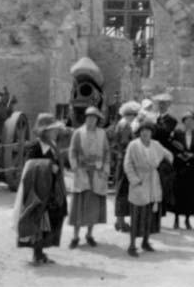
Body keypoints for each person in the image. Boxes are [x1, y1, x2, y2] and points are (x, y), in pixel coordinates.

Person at [14, 113, 67, 265]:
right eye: (52, 129)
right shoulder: (36, 146)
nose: (55, 131)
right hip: (38, 190)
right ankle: (37, 254)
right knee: (38, 219)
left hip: (51, 189)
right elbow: (30, 166)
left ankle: (40, 252)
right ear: (45, 131)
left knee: (47, 221)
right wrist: (50, 166)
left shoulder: (52, 144)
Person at [124, 121, 173, 257]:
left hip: (152, 181)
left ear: (152, 132)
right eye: (143, 130)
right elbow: (127, 164)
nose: (145, 133)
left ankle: (145, 241)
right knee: (136, 214)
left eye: (148, 130)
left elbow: (168, 155)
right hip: (139, 182)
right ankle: (132, 245)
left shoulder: (156, 145)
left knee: (149, 214)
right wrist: (134, 180)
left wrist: (164, 168)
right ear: (139, 132)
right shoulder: (133, 145)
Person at [68, 106, 110, 248]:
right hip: (82, 172)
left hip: (97, 173)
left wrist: (105, 168)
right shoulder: (78, 133)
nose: (91, 120)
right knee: (79, 205)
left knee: (93, 205)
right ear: (85, 118)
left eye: (94, 118)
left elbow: (107, 152)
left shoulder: (102, 134)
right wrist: (75, 167)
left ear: (98, 120)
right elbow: (72, 151)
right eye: (89, 117)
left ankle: (89, 234)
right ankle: (75, 236)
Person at [172, 112, 194, 230]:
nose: (189, 123)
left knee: (190, 195)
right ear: (184, 122)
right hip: (180, 168)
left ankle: (187, 219)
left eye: (192, 121)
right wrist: (180, 155)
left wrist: (192, 155)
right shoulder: (178, 134)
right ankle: (176, 219)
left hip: (192, 170)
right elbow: (172, 148)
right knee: (178, 193)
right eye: (187, 120)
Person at [114, 100, 141, 232]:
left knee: (124, 190)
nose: (134, 116)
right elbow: (125, 143)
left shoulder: (122, 124)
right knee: (123, 190)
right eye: (132, 114)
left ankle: (121, 221)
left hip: (124, 159)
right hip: (126, 160)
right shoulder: (125, 125)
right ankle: (120, 221)